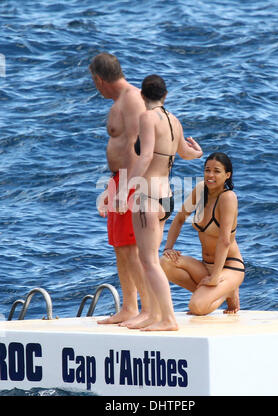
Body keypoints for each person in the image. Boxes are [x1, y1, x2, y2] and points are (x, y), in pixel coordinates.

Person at [117, 74, 203, 331]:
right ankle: (153, 314)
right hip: (166, 198)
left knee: (149, 261)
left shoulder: (147, 117)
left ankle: (168, 318)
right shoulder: (173, 120)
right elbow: (186, 153)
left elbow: (145, 157)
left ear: (143, 96)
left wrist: (124, 189)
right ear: (165, 95)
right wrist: (198, 152)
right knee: (150, 258)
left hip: (149, 197)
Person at [89, 52, 150, 326]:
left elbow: (141, 147)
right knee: (120, 246)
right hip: (119, 180)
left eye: (94, 82)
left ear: (100, 80)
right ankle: (128, 307)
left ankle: (147, 309)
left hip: (130, 182)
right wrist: (112, 187)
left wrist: (128, 188)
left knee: (132, 248)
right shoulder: (120, 101)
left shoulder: (133, 100)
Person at [160, 152, 245, 316]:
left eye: (217, 171)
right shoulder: (200, 190)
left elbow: (225, 241)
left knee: (197, 307)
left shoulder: (228, 198)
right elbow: (179, 219)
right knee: (165, 262)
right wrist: (168, 248)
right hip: (205, 266)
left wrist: (215, 277)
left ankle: (228, 290)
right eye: (207, 170)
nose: (210, 175)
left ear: (227, 175)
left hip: (229, 267)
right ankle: (216, 292)